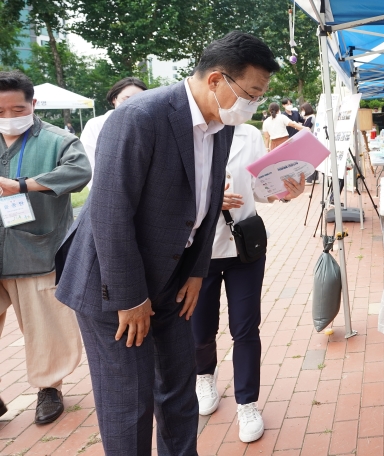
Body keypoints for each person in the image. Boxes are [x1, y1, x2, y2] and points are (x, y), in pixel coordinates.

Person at [55, 31, 281, 456]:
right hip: (112, 286)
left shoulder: (222, 123)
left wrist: (196, 271)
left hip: (173, 279)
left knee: (178, 391)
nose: (253, 104)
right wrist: (129, 297)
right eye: (250, 93)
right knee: (130, 402)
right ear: (216, 80)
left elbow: (208, 199)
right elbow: (109, 213)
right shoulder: (141, 117)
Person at [193, 123, 306, 443]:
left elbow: (259, 189)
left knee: (245, 329)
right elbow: (170, 194)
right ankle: (204, 376)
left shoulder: (249, 135)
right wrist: (212, 200)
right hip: (200, 253)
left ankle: (247, 403)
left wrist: (285, 192)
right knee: (201, 330)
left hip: (244, 249)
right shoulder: (185, 131)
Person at [0, 71, 91, 425]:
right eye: (0, 110)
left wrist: (24, 185)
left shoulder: (58, 140)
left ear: (33, 104)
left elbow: (79, 173)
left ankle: (49, 388)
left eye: (16, 108)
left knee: (45, 328)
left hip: (36, 249)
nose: (8, 117)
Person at [80, 77, 148, 187]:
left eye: (140, 100)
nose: (134, 105)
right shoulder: (96, 125)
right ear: (114, 99)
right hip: (106, 191)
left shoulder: (150, 126)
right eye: (126, 99)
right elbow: (88, 163)